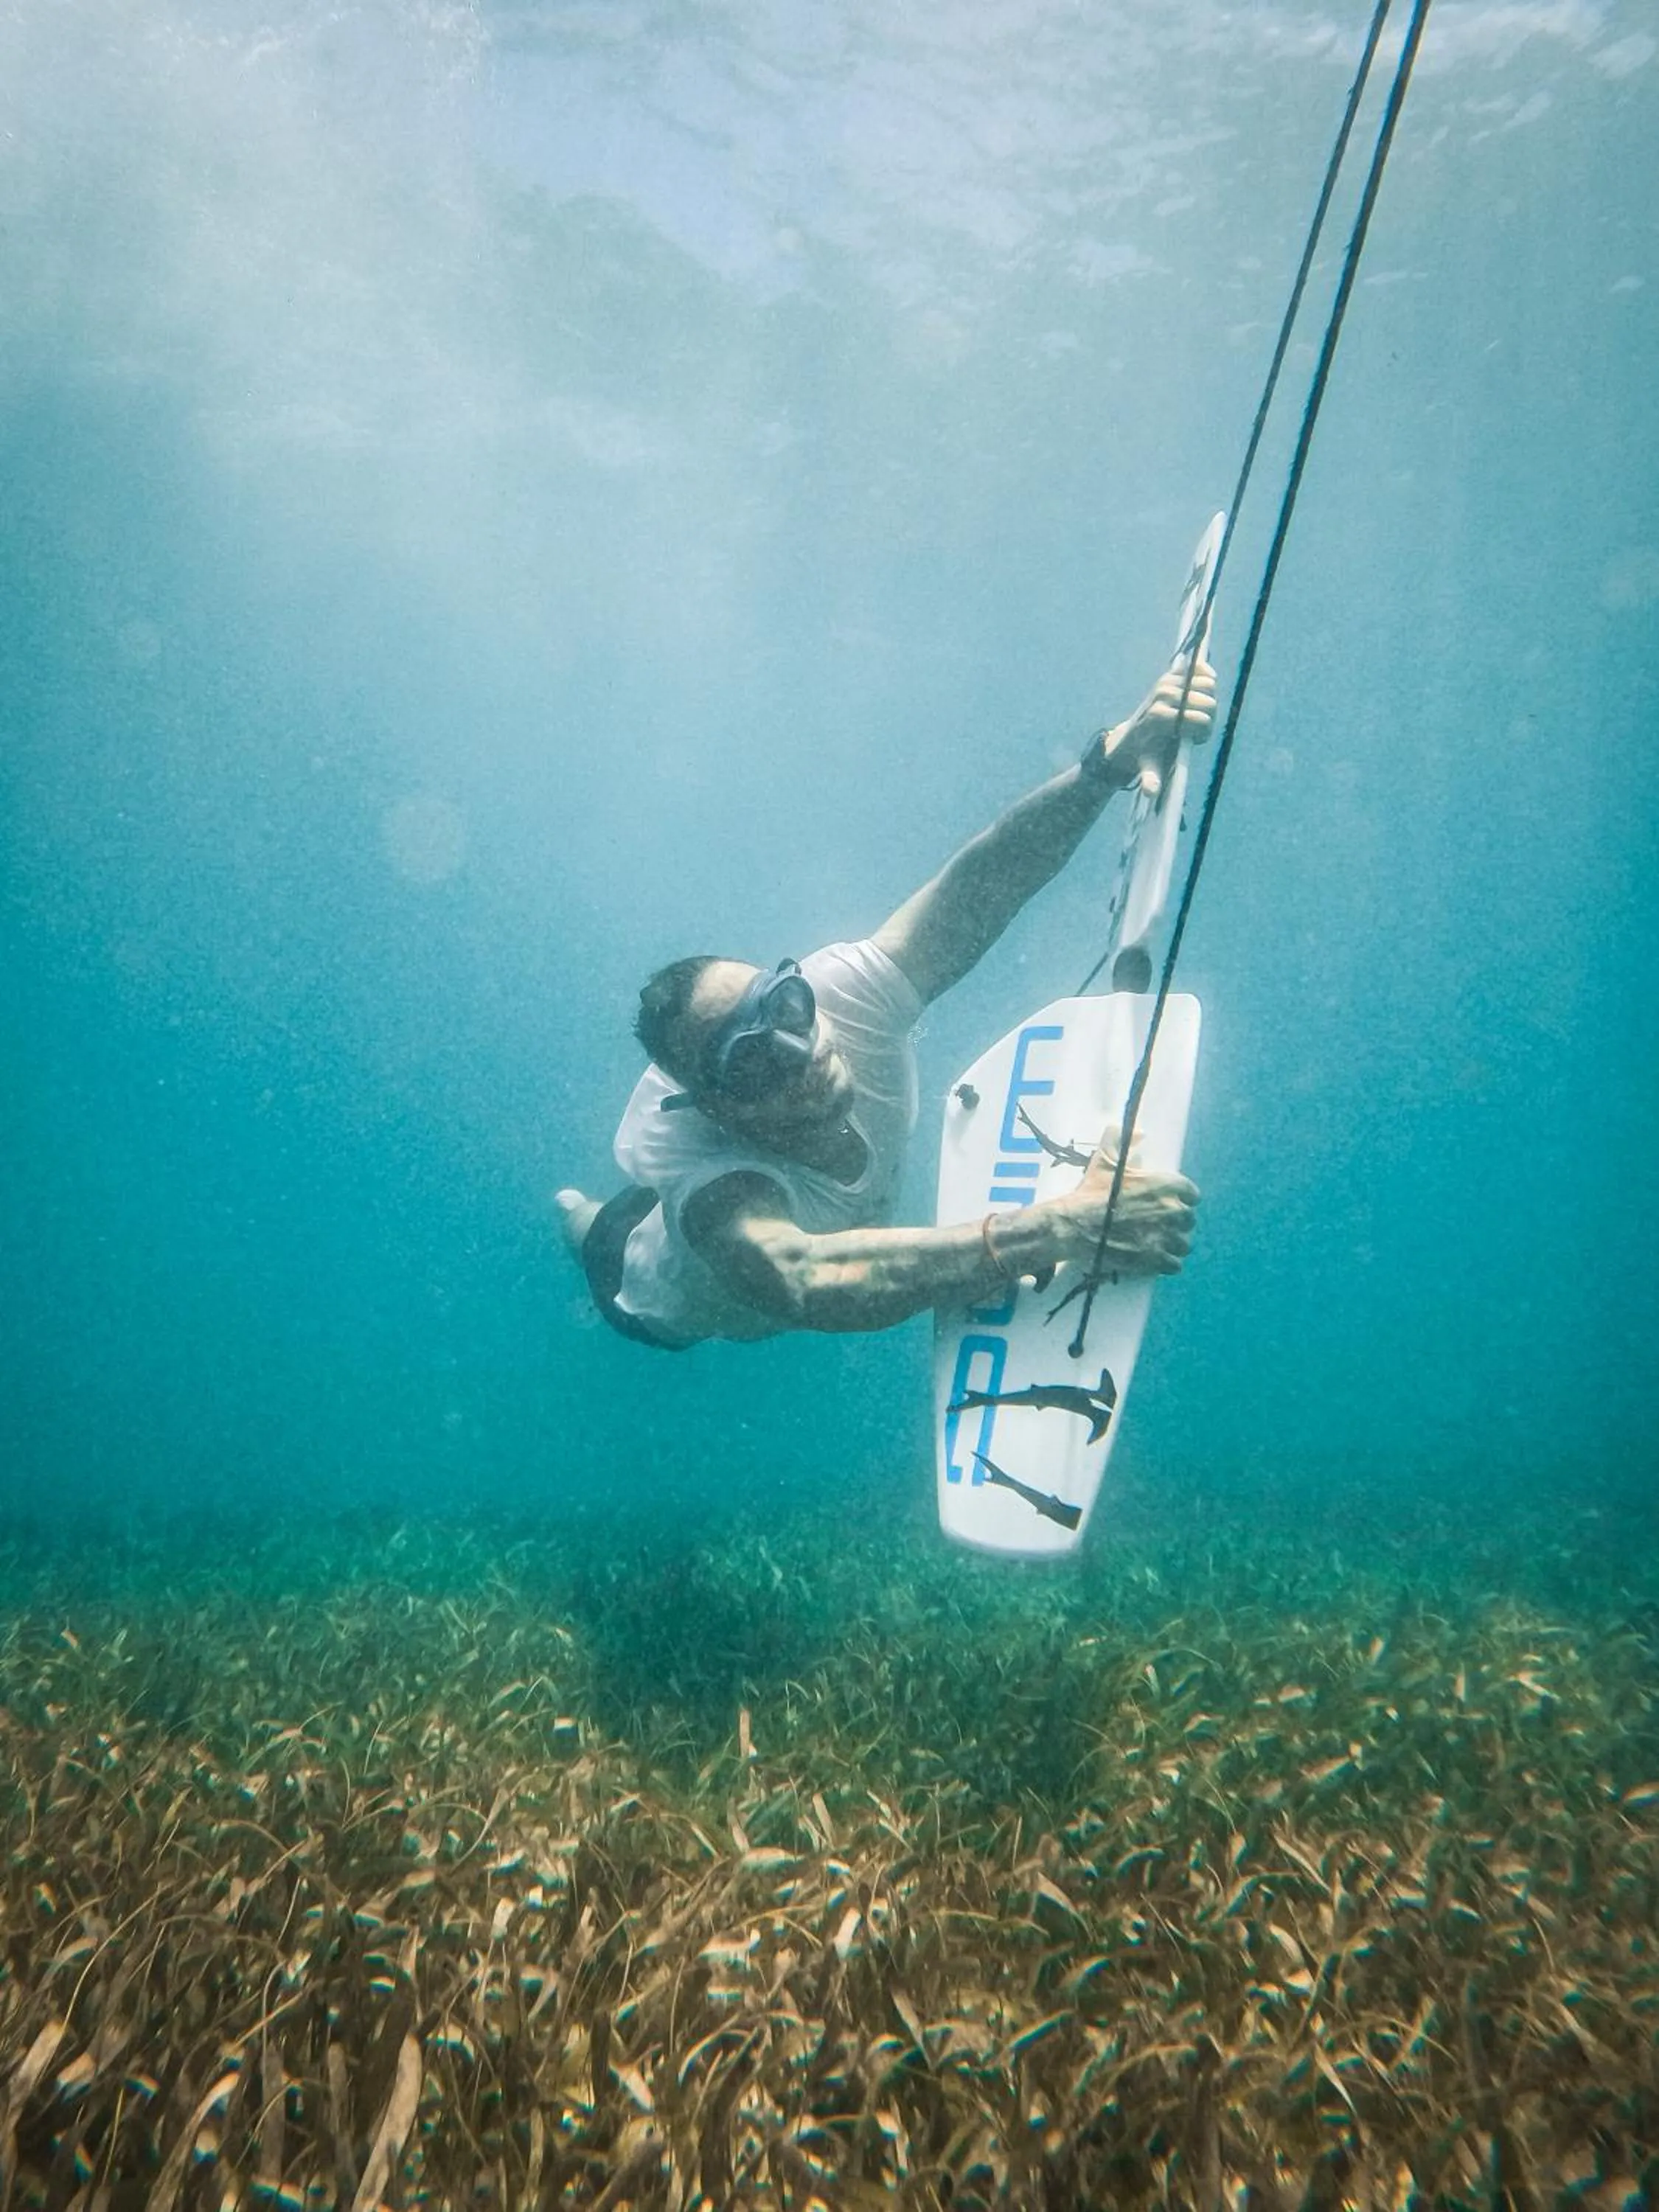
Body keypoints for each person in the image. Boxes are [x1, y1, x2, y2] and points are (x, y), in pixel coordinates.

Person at [556, 661, 1214, 1350]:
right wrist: (1065, 1226)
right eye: (752, 1061)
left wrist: (1106, 764)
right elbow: (802, 1280)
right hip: (656, 1299)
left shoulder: (846, 998)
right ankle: (572, 1215)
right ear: (718, 1109)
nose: (800, 1050)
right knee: (598, 1232)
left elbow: (984, 881)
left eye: (785, 1007)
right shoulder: (716, 1193)